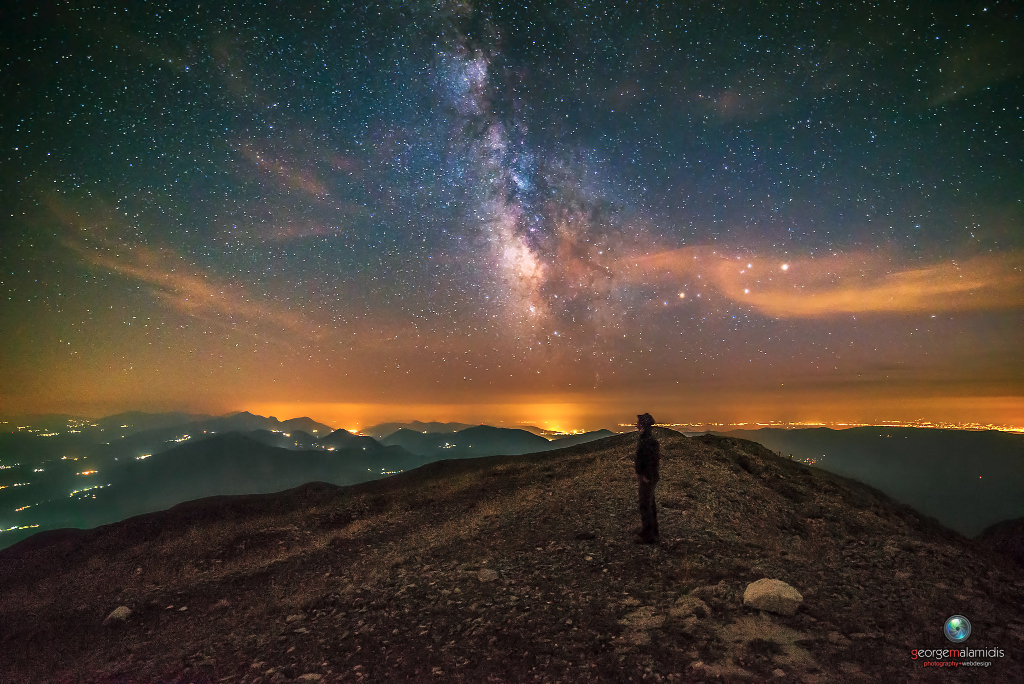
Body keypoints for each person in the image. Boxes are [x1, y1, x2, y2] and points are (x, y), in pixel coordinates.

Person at [634, 413, 660, 543]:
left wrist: (646, 476)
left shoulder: (647, 440)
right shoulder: (647, 438)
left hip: (647, 477)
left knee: (645, 504)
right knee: (649, 503)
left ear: (643, 424)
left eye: (639, 422)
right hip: (648, 476)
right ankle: (653, 531)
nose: (636, 424)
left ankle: (648, 535)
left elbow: (651, 460)